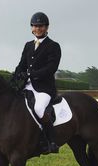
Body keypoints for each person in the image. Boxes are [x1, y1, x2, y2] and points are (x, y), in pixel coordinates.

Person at [13, 12, 61, 154]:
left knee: (39, 109)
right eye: (35, 26)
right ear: (31, 28)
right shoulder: (28, 45)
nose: (38, 28)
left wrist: (31, 74)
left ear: (46, 28)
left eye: (41, 26)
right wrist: (14, 77)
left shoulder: (53, 46)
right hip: (28, 86)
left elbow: (51, 68)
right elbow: (21, 65)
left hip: (45, 88)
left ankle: (50, 140)